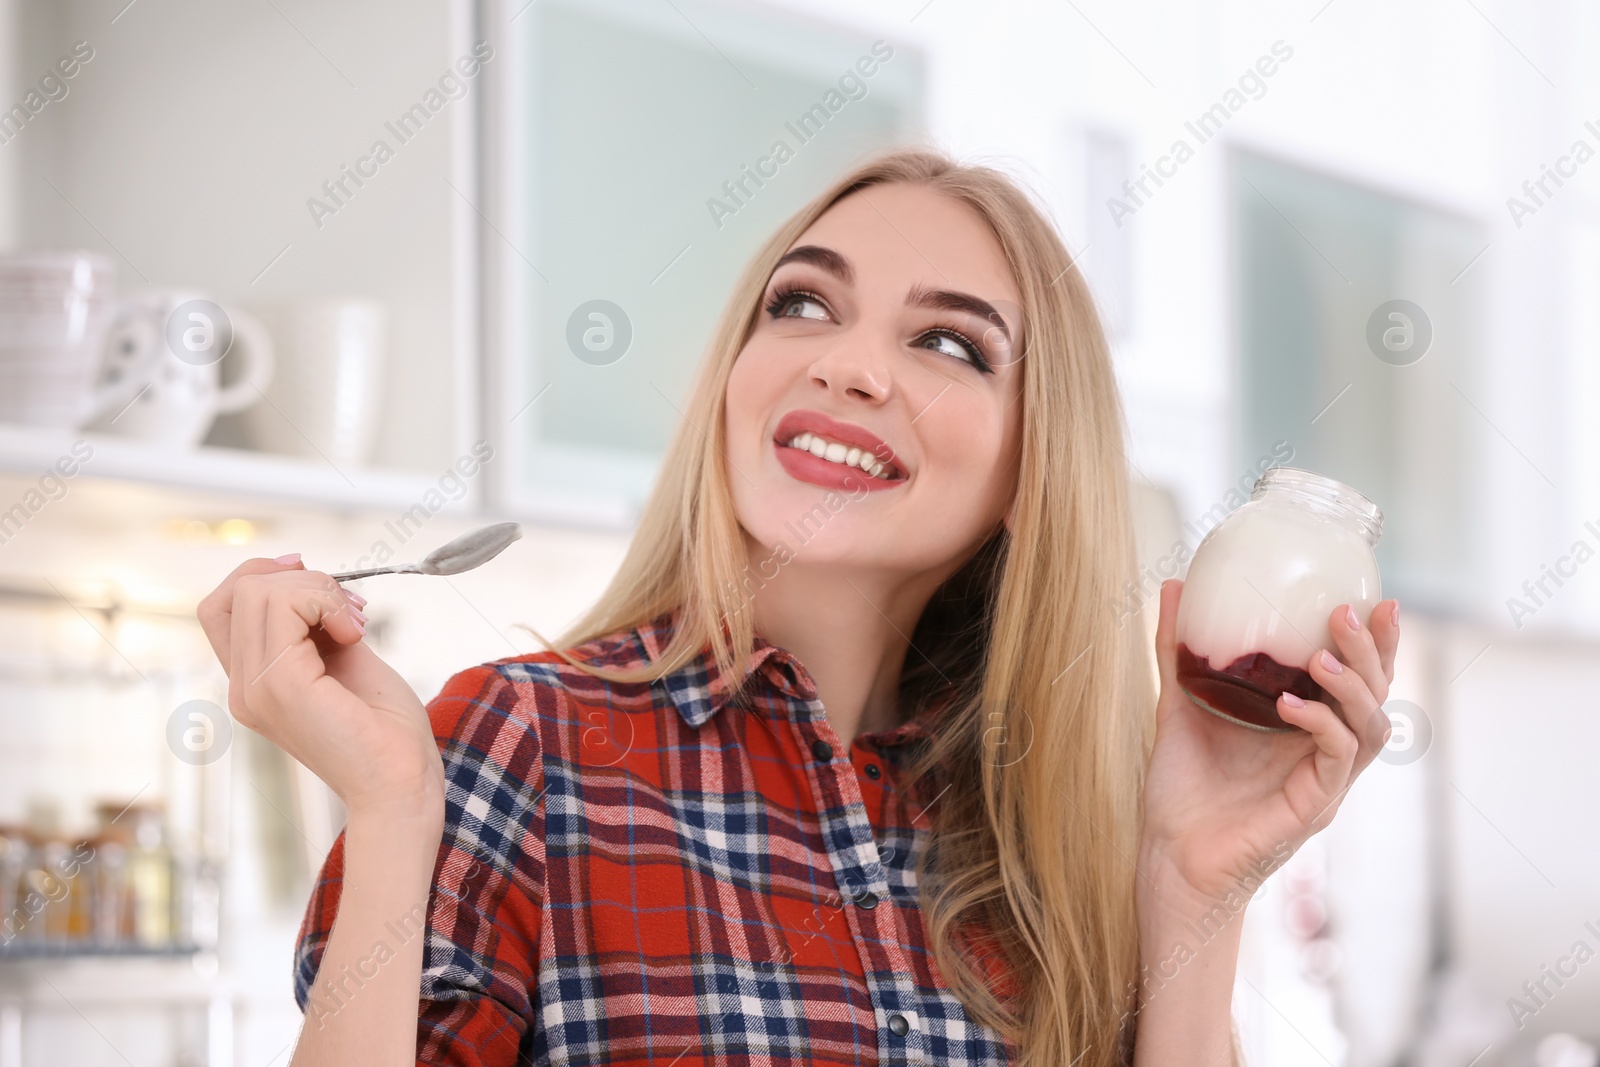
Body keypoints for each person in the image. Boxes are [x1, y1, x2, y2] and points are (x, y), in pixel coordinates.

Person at [197, 148, 1400, 1067]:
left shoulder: (1070, 852)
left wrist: (1197, 885)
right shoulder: (515, 746)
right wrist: (394, 804)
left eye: (948, 342)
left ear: (1038, 474)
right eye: (805, 305)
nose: (848, 363)